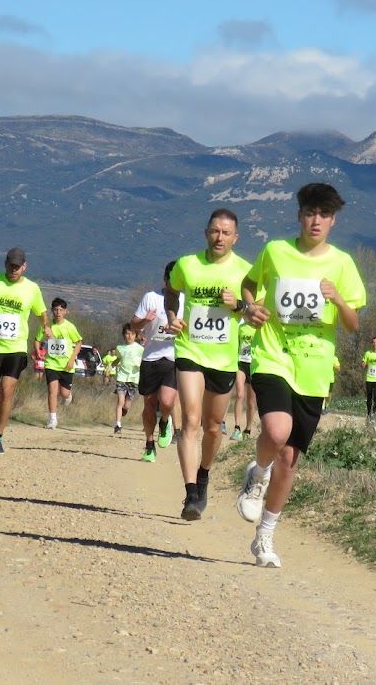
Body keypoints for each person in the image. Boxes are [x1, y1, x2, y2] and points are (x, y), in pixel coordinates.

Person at [235, 183, 365, 567]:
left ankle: (265, 537)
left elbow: (354, 324)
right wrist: (249, 308)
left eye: (324, 215)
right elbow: (248, 284)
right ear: (299, 216)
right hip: (273, 356)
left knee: (290, 460)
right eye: (310, 213)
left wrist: (338, 298)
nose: (316, 221)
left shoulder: (342, 264)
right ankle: (257, 475)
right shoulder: (276, 251)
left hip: (314, 369)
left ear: (333, 221)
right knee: (275, 432)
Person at [163, 208, 253, 521]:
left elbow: (257, 311)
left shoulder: (246, 271)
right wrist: (173, 317)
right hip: (190, 350)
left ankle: (203, 475)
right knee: (190, 419)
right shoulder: (187, 265)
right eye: (215, 231)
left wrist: (239, 305)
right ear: (206, 233)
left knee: (213, 427)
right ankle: (190, 494)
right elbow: (171, 291)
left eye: (226, 233)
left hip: (224, 359)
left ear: (235, 238)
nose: (219, 237)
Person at [0, 247, 49, 454]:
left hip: (16, 348)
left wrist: (46, 326)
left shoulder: (32, 288)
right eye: (11, 265)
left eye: (18, 267)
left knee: (7, 390)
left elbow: (41, 312)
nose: (14, 270)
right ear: (5, 264)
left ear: (24, 267)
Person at [130, 261, 182, 463]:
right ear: (166, 279)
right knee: (149, 403)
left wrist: (180, 327)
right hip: (150, 358)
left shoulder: (185, 300)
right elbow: (134, 325)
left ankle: (165, 421)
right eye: (172, 279)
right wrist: (145, 320)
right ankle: (149, 443)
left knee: (168, 401)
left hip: (172, 357)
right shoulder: (150, 298)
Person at [41, 297, 82, 429]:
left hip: (66, 365)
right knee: (52, 391)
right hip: (51, 363)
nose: (58, 312)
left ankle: (68, 395)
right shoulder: (48, 326)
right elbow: (38, 339)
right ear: (52, 311)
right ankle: (53, 419)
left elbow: (79, 343)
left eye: (61, 310)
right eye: (55, 309)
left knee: (63, 393)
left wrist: (72, 360)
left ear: (65, 312)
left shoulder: (70, 327)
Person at [112, 323, 144, 434]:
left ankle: (124, 410)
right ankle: (118, 424)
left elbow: (144, 360)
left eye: (131, 334)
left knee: (126, 405)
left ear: (135, 335)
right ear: (123, 335)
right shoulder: (120, 348)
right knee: (120, 401)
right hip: (122, 377)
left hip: (134, 378)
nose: (129, 336)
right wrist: (112, 364)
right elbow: (119, 359)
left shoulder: (140, 349)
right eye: (126, 334)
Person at [230, 320, 256, 441]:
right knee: (240, 395)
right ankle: (237, 428)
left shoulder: (260, 328)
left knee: (251, 402)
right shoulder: (241, 327)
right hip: (241, 363)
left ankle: (248, 429)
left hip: (254, 365)